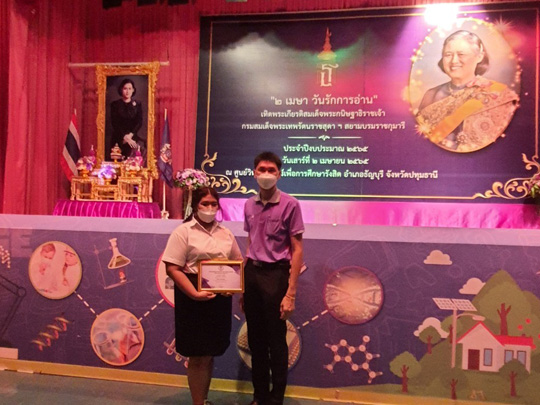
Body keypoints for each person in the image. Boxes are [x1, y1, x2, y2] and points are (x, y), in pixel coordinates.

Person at [162, 186, 242, 405]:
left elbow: (237, 263)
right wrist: (194, 294)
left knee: (209, 353)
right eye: (204, 204)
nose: (209, 208)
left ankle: (203, 400)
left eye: (213, 204)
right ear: (195, 206)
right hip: (192, 300)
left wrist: (234, 286)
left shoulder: (225, 233)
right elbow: (172, 268)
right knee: (196, 355)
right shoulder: (183, 232)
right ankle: (198, 402)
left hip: (219, 300)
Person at [243, 152, 304, 405]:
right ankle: (259, 396)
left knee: (276, 340)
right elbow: (250, 242)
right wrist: (243, 286)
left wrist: (291, 293)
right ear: (254, 173)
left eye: (271, 170)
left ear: (279, 174)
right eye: (261, 169)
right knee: (255, 340)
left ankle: (276, 398)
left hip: (277, 275)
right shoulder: (248, 205)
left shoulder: (291, 204)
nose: (266, 174)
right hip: (252, 273)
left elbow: (297, 249)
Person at [416, 30, 518, 153]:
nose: (454, 61)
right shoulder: (431, 95)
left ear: (479, 57)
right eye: (448, 55)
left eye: (461, 54)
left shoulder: (497, 95)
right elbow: (419, 143)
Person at [110, 78, 146, 162]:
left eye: (130, 89)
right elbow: (114, 122)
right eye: (125, 88)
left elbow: (139, 122)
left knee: (138, 151)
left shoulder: (137, 104)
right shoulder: (115, 104)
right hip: (118, 137)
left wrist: (129, 136)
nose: (127, 91)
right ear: (121, 89)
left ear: (133, 90)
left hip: (132, 136)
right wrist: (124, 137)